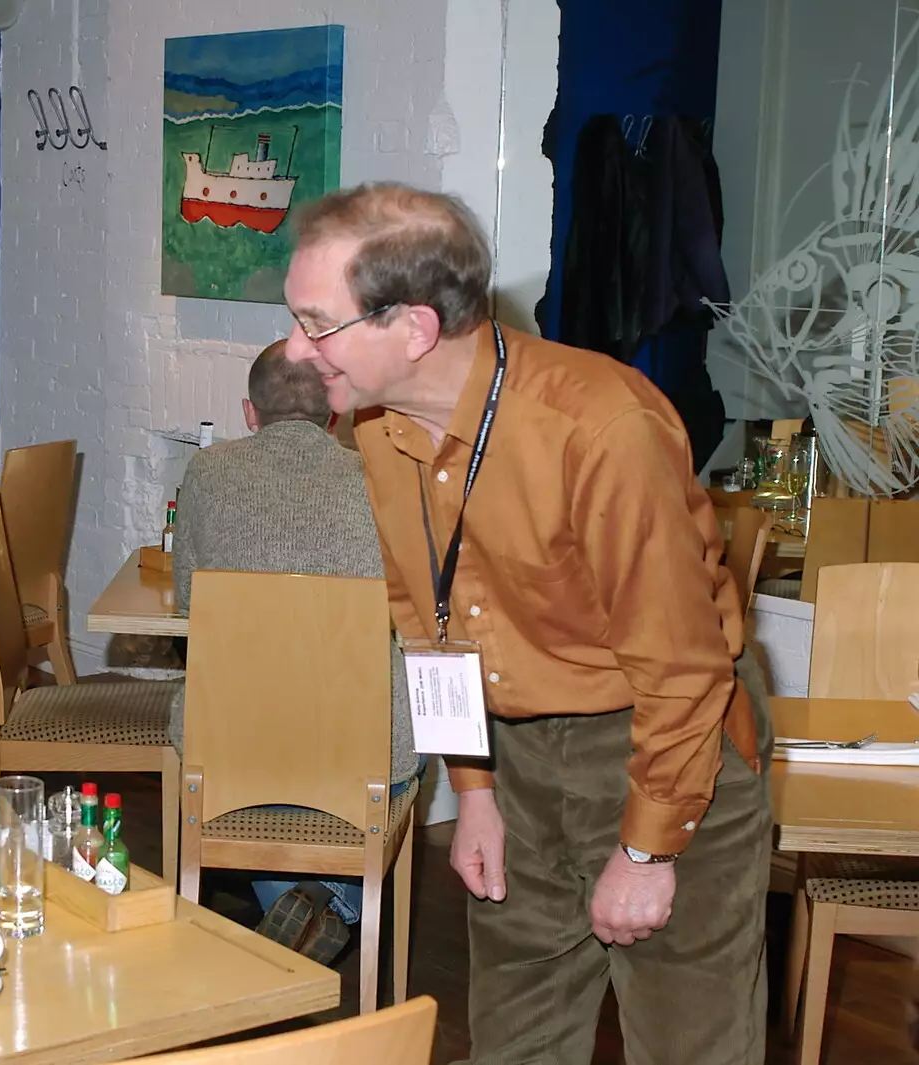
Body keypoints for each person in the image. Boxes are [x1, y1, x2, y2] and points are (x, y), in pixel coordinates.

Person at [283, 182, 772, 1060]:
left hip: (662, 752)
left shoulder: (599, 430)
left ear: (416, 329)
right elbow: (425, 621)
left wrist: (650, 853)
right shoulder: (380, 432)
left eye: (316, 324)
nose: (294, 350)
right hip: (514, 766)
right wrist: (472, 791)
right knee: (512, 1048)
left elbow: (684, 671)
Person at [170, 339, 419, 960]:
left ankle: (309, 900)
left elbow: (187, 599)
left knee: (247, 767)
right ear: (334, 413)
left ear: (249, 413)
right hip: (361, 745)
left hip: (232, 740)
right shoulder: (381, 483)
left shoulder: (207, 472)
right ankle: (332, 893)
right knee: (365, 756)